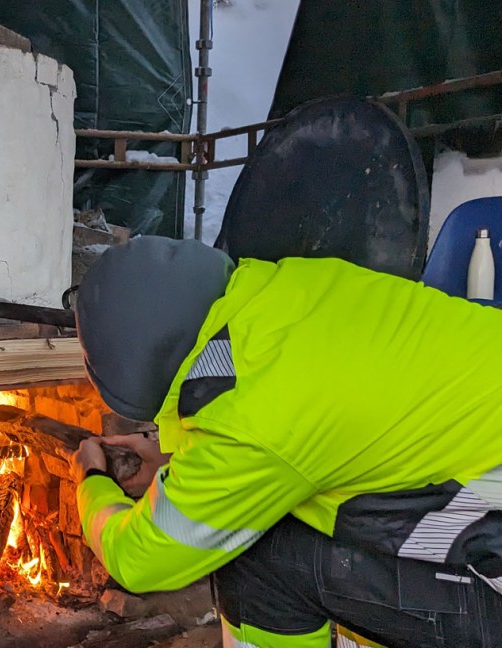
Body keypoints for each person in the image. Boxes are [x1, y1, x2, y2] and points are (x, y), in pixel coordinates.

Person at [63, 235, 502, 648]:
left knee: (263, 556)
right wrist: (174, 456)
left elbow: (141, 560)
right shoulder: (292, 287)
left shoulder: (252, 418)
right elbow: (319, 422)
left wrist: (92, 478)